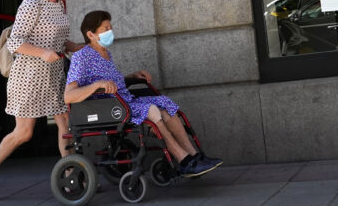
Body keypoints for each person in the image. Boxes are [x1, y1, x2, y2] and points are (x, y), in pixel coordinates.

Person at [64, 10, 223, 177]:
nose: (110, 32)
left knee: (166, 107)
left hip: (125, 101)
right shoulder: (81, 57)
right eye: (105, 29)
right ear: (91, 34)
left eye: (110, 27)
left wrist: (131, 76)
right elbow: (69, 95)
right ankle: (183, 160)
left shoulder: (105, 54)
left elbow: (112, 83)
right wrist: (96, 85)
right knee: (153, 110)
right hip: (110, 108)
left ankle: (195, 156)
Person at [0, 0, 82, 201]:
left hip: (54, 74)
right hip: (28, 76)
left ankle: (70, 176)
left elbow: (56, 38)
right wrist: (43, 53)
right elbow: (15, 41)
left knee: (64, 122)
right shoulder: (31, 3)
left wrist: (74, 46)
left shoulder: (58, 5)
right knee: (24, 132)